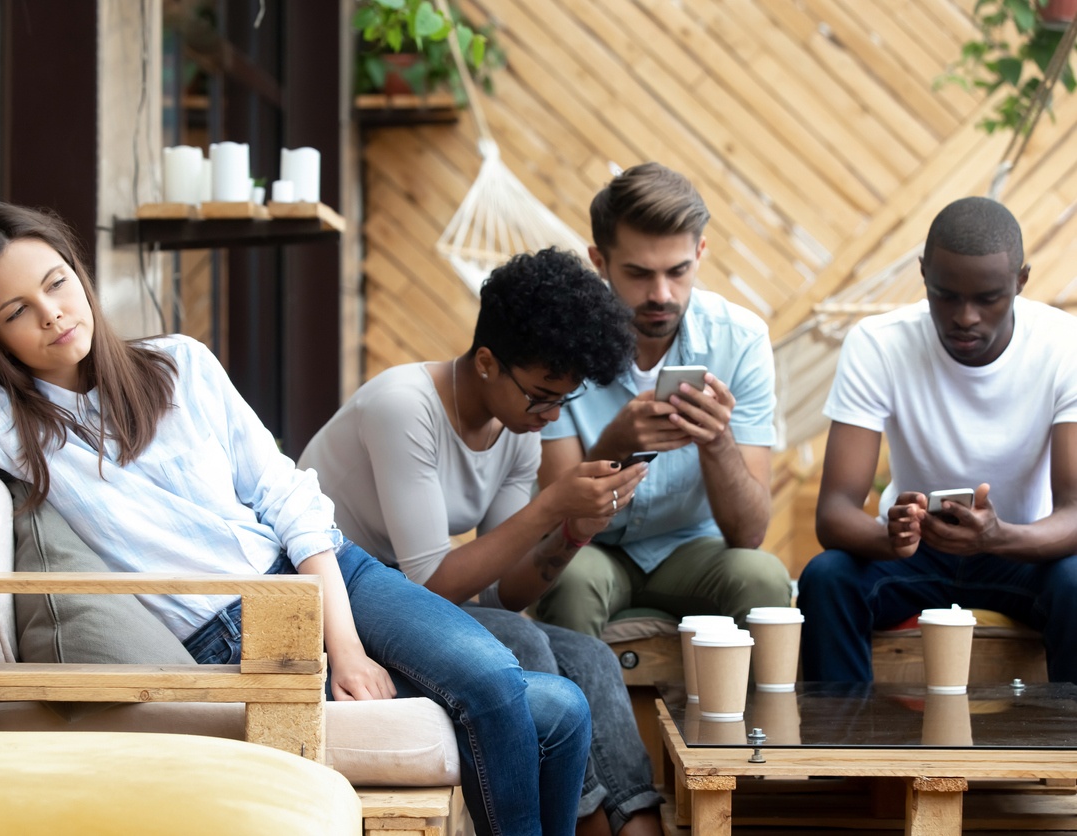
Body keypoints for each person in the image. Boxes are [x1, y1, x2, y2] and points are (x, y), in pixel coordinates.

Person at [0, 201, 593, 836]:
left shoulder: (182, 365)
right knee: (550, 709)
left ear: (81, 276)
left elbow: (288, 497)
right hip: (237, 626)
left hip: (331, 575)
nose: (54, 316)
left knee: (517, 685)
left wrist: (347, 649)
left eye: (58, 284)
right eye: (16, 311)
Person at [299, 248, 661, 836]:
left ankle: (638, 824)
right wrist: (550, 505)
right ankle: (572, 822)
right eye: (542, 394)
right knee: (526, 645)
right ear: (488, 362)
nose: (551, 414)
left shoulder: (515, 426)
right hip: (343, 596)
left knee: (589, 656)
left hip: (410, 604)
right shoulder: (404, 406)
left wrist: (570, 533)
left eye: (563, 399)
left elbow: (499, 593)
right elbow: (429, 585)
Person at [798, 196, 1077, 684]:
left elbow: (1075, 511)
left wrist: (999, 536)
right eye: (945, 295)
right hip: (913, 557)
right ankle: (843, 759)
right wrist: (894, 536)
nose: (965, 317)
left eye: (988, 298)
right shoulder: (880, 343)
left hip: (1020, 553)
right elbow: (835, 513)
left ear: (1021, 281)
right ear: (923, 274)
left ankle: (1065, 758)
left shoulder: (1063, 346)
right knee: (827, 577)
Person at [533, 163, 792, 639]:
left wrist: (717, 442)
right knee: (569, 580)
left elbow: (749, 534)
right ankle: (580, 718)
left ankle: (759, 718)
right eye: (638, 274)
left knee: (764, 578)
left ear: (700, 252)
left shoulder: (741, 340)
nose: (661, 294)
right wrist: (616, 443)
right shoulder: (561, 343)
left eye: (679, 271)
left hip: (691, 552)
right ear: (599, 261)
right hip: (591, 548)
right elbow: (554, 520)